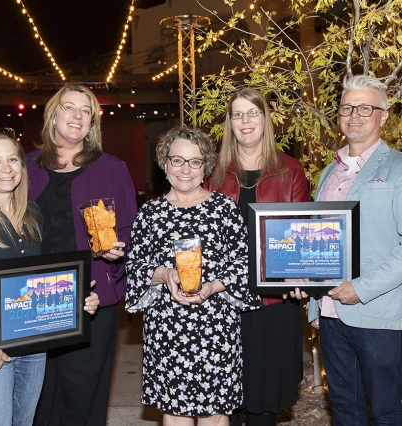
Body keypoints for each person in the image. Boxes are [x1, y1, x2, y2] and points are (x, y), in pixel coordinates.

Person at [0, 129, 100, 425]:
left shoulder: (33, 214)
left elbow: (40, 278)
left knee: (24, 421)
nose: (6, 169)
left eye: (13, 159)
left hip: (33, 343)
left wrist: (76, 298)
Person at [126, 126, 261, 426]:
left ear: (206, 167)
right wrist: (164, 273)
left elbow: (246, 263)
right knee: (175, 415)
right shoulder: (150, 213)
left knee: (215, 415)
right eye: (177, 160)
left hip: (217, 326)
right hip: (166, 328)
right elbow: (134, 267)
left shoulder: (224, 209)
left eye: (195, 161)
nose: (185, 169)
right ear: (164, 163)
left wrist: (214, 285)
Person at [27, 83, 138, 426]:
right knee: (38, 388)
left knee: (82, 392)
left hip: (91, 295)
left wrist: (120, 253)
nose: (77, 115)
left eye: (85, 110)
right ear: (53, 114)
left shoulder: (111, 167)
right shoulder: (26, 166)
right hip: (35, 296)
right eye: (69, 107)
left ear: (92, 122)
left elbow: (131, 229)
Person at [300, 75, 402, 425]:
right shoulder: (330, 170)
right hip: (330, 315)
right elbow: (316, 240)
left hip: (379, 313)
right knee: (345, 410)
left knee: (388, 412)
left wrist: (360, 288)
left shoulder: (398, 167)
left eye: (365, 107)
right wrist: (315, 299)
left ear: (383, 116)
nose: (354, 115)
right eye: (347, 107)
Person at [204, 88, 309, 426]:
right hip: (224, 301)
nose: (245, 120)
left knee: (264, 401)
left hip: (274, 302)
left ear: (265, 119)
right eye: (238, 114)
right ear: (230, 123)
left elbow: (301, 236)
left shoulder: (290, 171)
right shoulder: (213, 173)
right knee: (227, 396)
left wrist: (302, 276)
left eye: (253, 113)